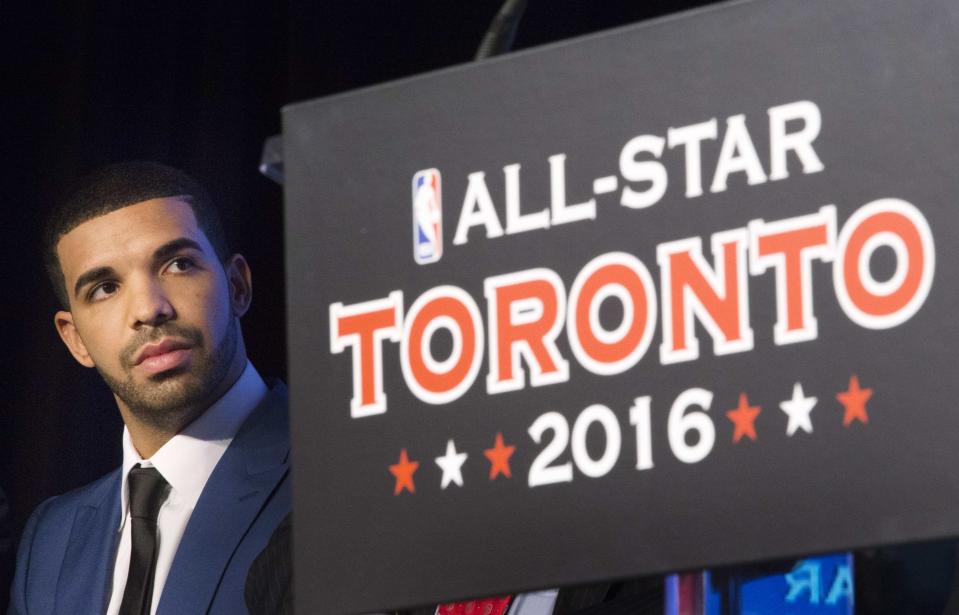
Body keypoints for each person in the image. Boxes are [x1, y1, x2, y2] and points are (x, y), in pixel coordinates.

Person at [8, 162, 290, 615]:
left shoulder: (340, 477)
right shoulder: (51, 541)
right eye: (104, 288)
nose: (148, 308)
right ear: (74, 338)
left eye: (178, 264)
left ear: (237, 286)